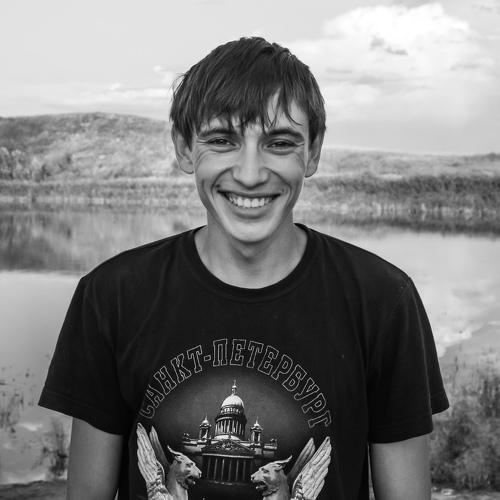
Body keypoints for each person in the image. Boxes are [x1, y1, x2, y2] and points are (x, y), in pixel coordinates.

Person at [39, 37, 449, 500]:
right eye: (221, 141)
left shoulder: (383, 300)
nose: (250, 174)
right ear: (183, 148)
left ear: (313, 152)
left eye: (280, 143)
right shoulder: (111, 296)